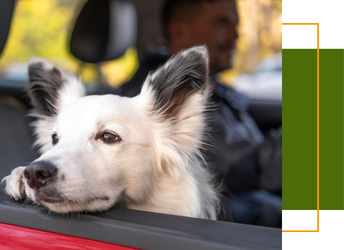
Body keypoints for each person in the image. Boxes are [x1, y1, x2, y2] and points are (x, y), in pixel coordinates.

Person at [120, 0, 281, 227]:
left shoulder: (214, 89)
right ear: (179, 31)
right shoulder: (149, 105)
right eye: (222, 22)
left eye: (236, 24)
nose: (236, 34)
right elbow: (233, 173)